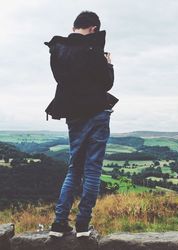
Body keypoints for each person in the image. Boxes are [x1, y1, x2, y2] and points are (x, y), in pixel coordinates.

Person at [44, 10, 119, 238]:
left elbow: (62, 80)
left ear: (74, 26)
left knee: (74, 169)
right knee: (92, 170)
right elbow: (106, 84)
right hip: (96, 114)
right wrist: (108, 64)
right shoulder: (93, 50)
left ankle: (59, 224)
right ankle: (83, 226)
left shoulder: (57, 51)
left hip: (74, 116)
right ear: (93, 29)